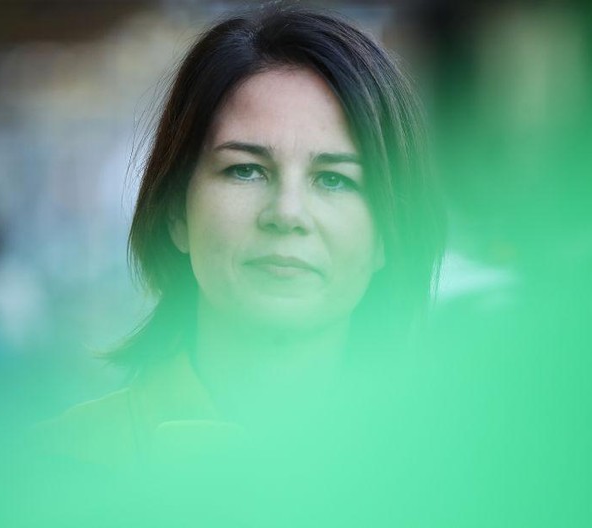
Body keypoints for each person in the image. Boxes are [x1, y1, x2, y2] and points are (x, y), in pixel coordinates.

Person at [41, 2, 444, 472]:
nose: (287, 213)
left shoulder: (460, 482)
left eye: (334, 180)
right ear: (175, 211)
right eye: (246, 170)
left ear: (388, 233)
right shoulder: (52, 470)